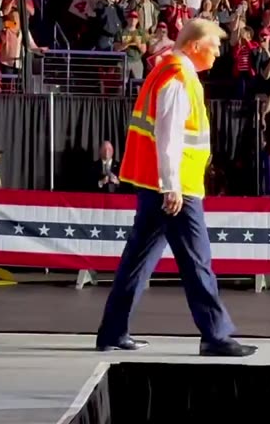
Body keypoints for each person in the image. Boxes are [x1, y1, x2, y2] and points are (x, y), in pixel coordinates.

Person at [95, 19, 256, 357]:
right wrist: (172, 186)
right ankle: (215, 334)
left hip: (157, 185)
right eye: (214, 45)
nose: (218, 53)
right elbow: (167, 138)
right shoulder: (178, 78)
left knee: (137, 261)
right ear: (196, 45)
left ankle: (112, 331)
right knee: (197, 260)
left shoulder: (166, 71)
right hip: (174, 188)